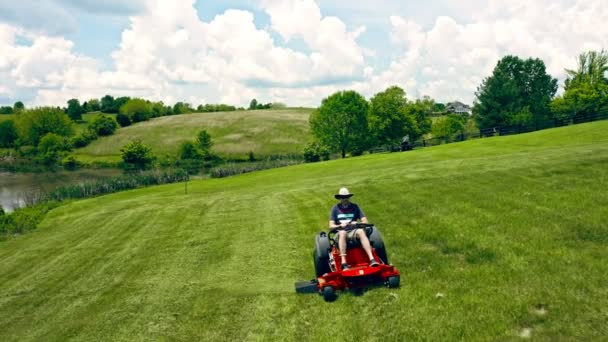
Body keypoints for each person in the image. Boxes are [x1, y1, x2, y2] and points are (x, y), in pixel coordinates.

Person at [329, 187, 379, 270]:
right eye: (342, 197)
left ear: (349, 197)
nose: (344, 199)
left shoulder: (355, 207)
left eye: (346, 197)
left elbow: (365, 221)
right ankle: (344, 262)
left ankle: (372, 259)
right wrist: (340, 225)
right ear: (340, 198)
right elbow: (331, 226)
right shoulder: (335, 209)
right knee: (342, 233)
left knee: (361, 231)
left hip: (353, 231)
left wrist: (357, 223)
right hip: (340, 232)